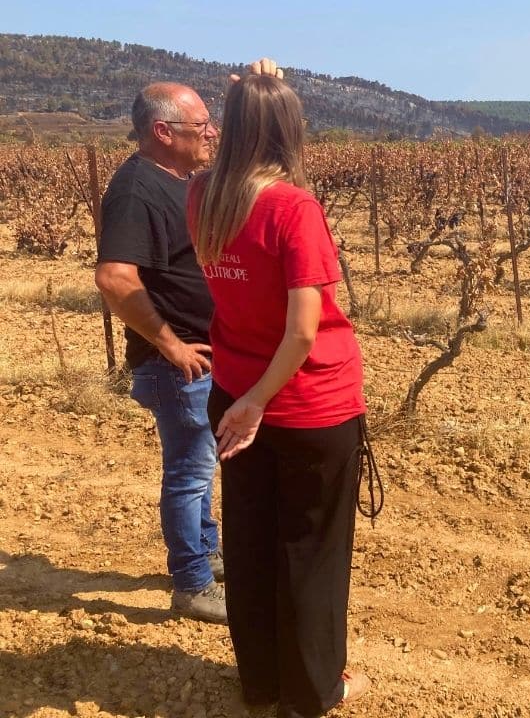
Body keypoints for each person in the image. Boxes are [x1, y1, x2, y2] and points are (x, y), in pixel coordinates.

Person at [187, 60, 371, 717]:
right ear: (292, 129)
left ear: (228, 124)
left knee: (252, 540)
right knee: (312, 552)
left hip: (232, 396)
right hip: (303, 407)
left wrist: (246, 402)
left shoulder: (203, 195)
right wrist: (262, 402)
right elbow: (302, 331)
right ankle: (316, 691)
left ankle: (260, 684)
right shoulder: (295, 207)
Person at [95, 82, 227, 624]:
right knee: (189, 471)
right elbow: (115, 277)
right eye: (201, 127)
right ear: (163, 131)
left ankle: (208, 555)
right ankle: (192, 583)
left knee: (202, 465)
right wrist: (171, 345)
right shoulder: (135, 190)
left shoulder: (182, 180)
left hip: (199, 359)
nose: (211, 134)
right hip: (175, 366)